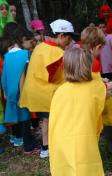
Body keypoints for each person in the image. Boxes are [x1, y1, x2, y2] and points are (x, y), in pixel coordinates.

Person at [19, 19, 76, 158]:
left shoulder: (40, 46)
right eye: (69, 38)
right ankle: (55, 145)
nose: (70, 42)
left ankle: (45, 148)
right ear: (61, 36)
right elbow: (56, 77)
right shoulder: (57, 53)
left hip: (35, 92)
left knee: (45, 120)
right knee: (53, 120)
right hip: (46, 95)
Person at [49, 47, 106, 176]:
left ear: (66, 67)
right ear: (88, 65)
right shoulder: (96, 87)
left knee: (66, 169)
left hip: (62, 139)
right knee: (86, 168)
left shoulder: (60, 91)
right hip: (85, 137)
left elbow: (55, 120)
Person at [1, 25, 39, 154]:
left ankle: (27, 142)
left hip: (11, 93)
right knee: (25, 120)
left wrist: (5, 92)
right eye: (30, 41)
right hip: (20, 92)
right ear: (23, 39)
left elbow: (4, 76)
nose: (31, 44)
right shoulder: (24, 54)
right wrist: (23, 95)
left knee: (20, 119)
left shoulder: (7, 55)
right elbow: (22, 76)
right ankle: (29, 146)